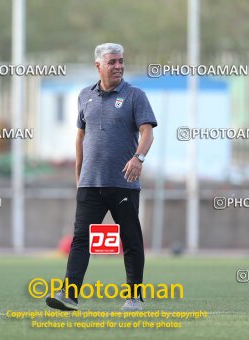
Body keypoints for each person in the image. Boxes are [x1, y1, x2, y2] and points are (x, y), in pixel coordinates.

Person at [46, 43, 157, 311]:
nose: (118, 66)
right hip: (90, 184)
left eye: (121, 61)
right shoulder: (85, 96)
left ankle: (134, 297)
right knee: (81, 239)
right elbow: (80, 138)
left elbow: (147, 132)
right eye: (112, 62)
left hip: (123, 184)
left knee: (130, 239)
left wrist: (138, 158)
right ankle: (69, 295)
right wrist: (79, 176)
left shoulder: (135, 95)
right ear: (99, 66)